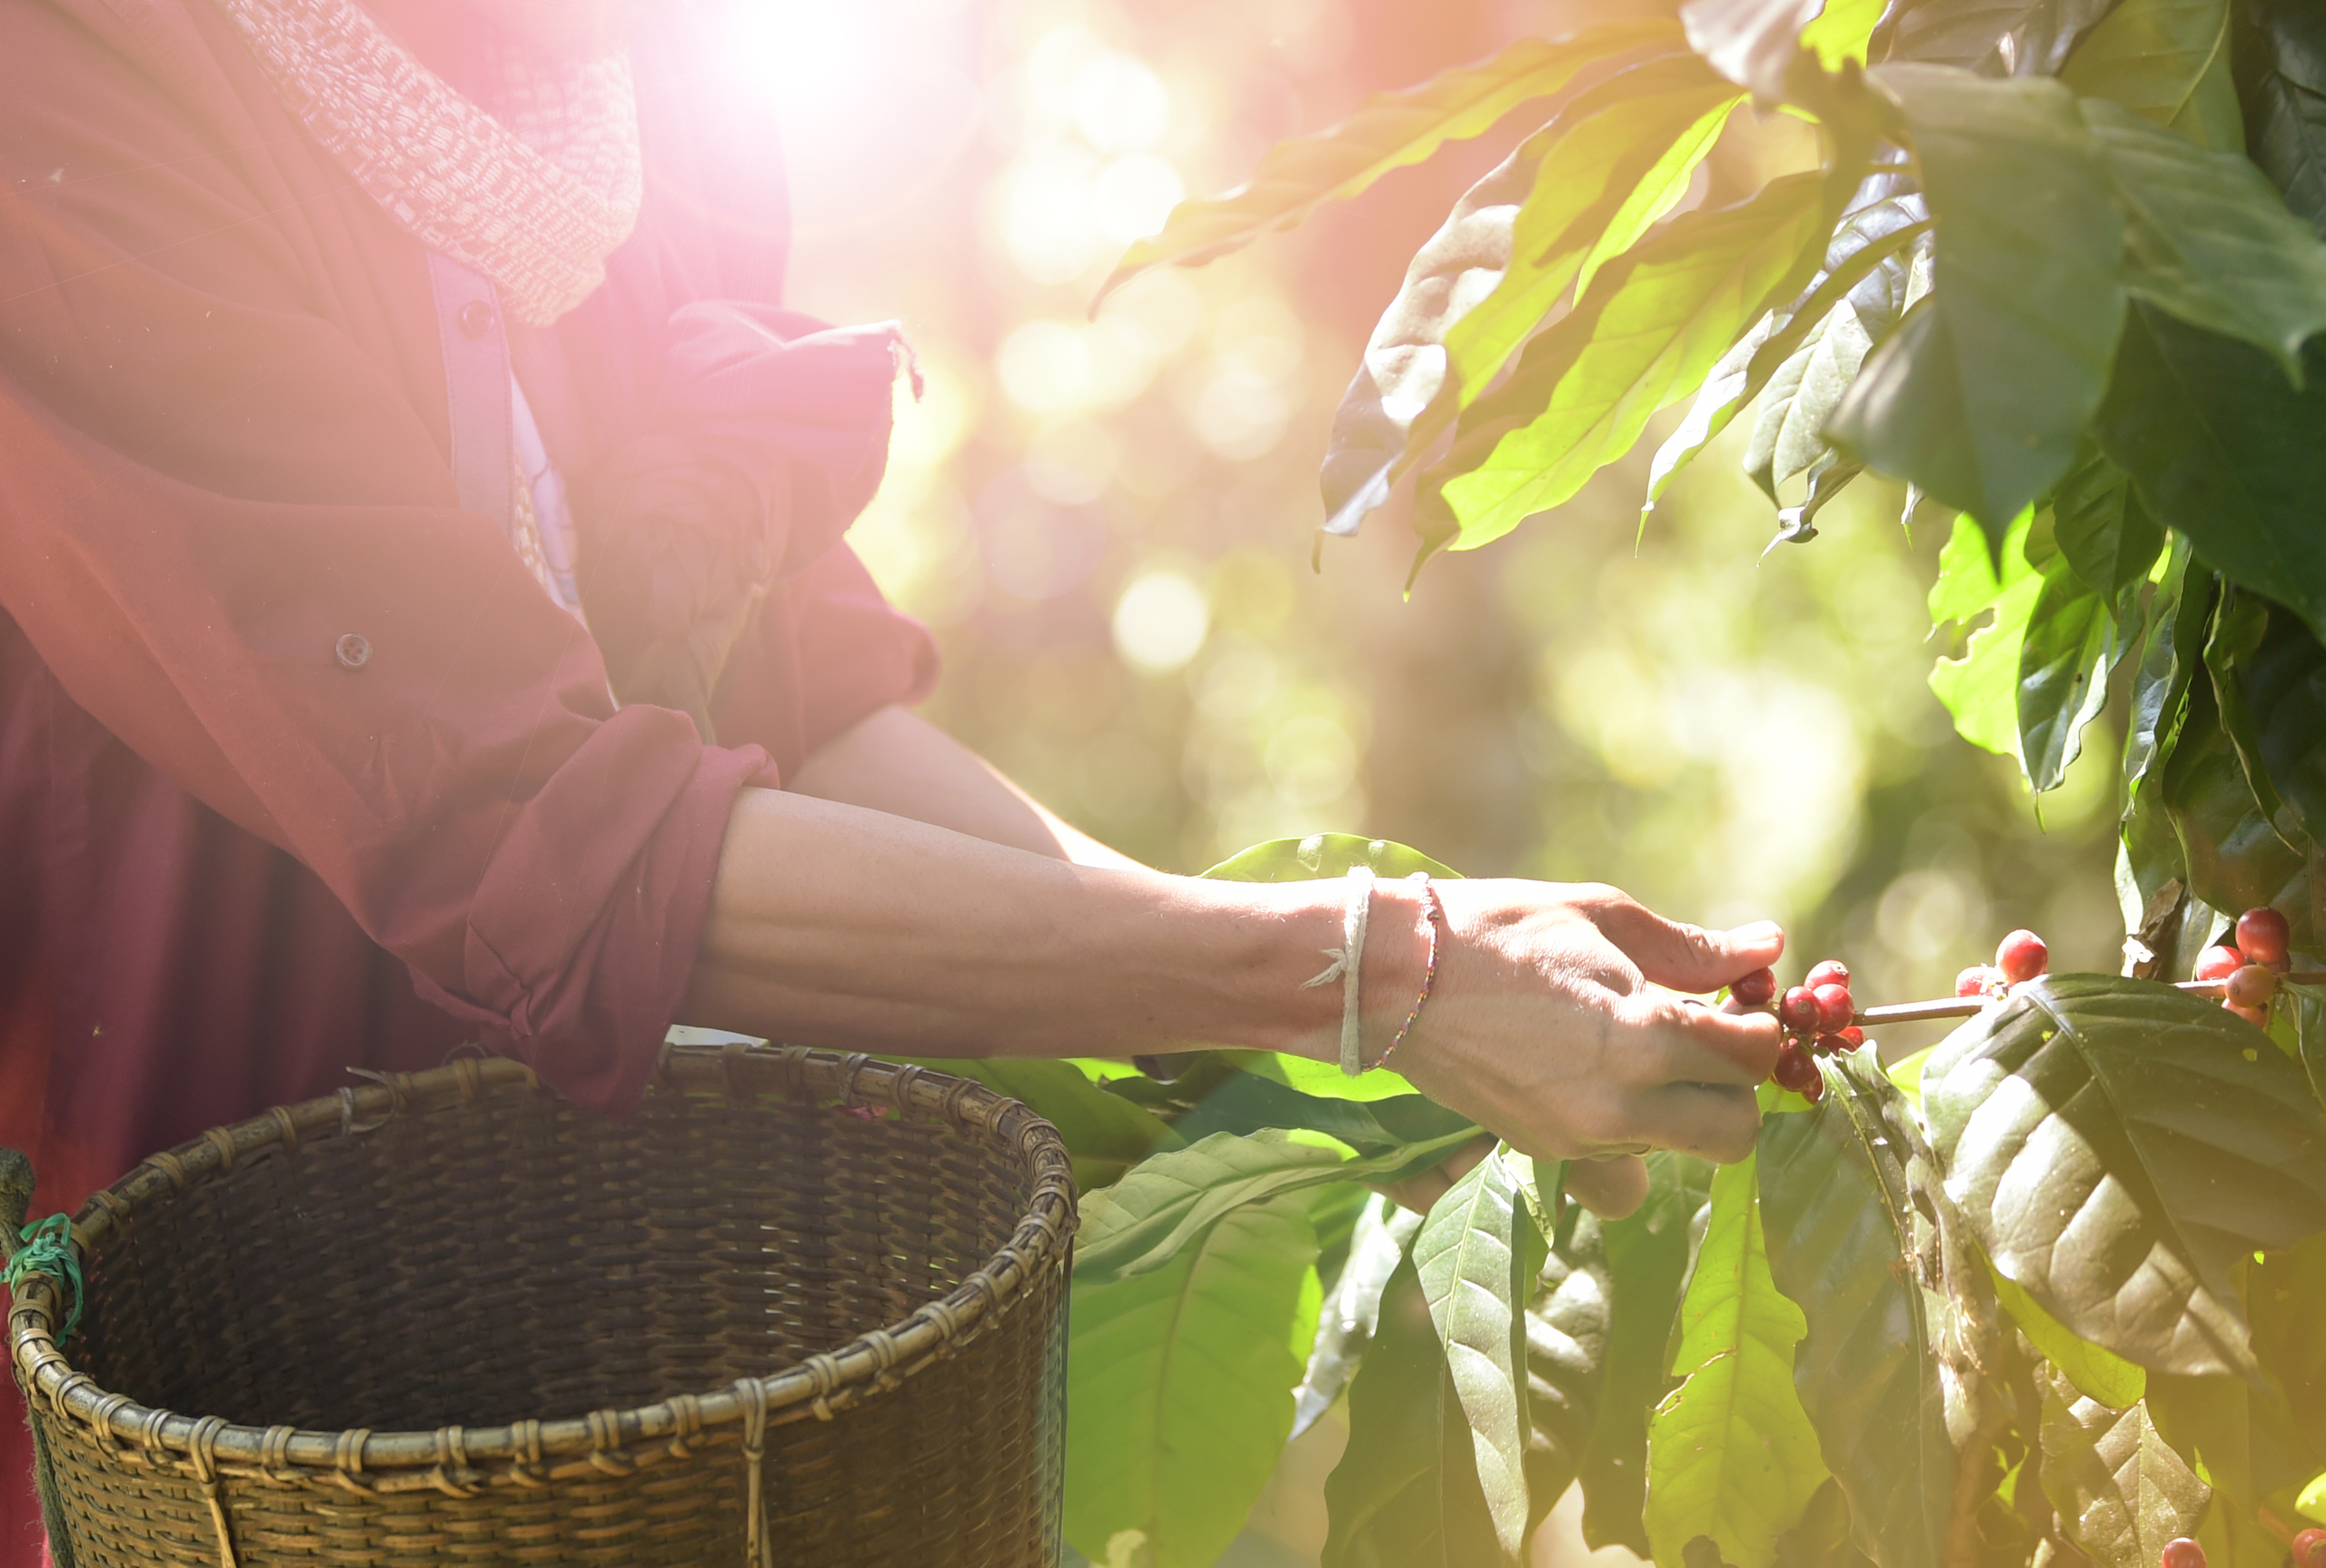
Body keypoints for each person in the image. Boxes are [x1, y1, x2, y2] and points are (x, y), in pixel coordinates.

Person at [0, 0, 1784, 1556]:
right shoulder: (73, 89)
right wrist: (1363, 969)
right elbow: (543, 837)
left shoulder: (640, 114)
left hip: (600, 1368)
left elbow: (801, 699)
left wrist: (1271, 1016)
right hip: (200, 1387)